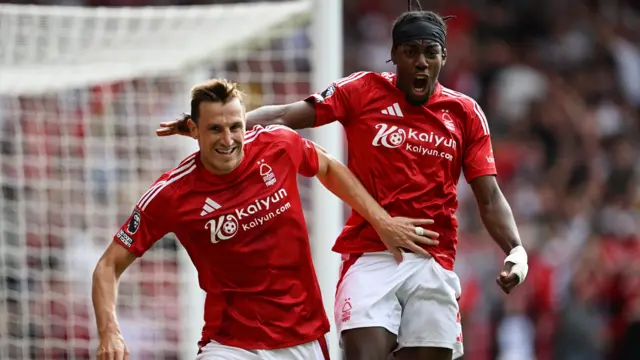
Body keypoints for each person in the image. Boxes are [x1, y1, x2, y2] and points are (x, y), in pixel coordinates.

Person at [155, 4, 530, 360]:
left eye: (430, 52)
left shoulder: (464, 113)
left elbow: (490, 195)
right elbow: (286, 115)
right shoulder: (362, 90)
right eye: (410, 51)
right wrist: (228, 131)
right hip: (370, 255)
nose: (420, 61)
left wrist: (515, 249)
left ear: (443, 58)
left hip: (433, 260)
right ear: (394, 55)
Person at [92, 78, 440, 360]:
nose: (228, 140)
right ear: (193, 130)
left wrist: (381, 221)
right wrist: (110, 330)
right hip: (230, 345)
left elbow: (328, 167)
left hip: (302, 340)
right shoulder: (171, 194)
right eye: (215, 129)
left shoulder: (278, 145)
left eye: (235, 127)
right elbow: (108, 266)